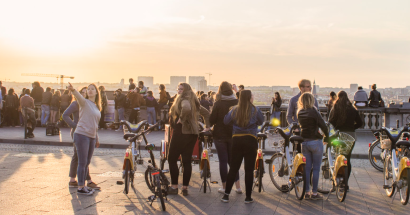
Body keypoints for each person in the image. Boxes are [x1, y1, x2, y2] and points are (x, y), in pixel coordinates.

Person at [221, 90, 264, 203]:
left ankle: (226, 195)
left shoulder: (235, 109)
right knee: (249, 170)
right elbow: (261, 121)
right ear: (249, 98)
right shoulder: (255, 109)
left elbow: (226, 121)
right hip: (251, 140)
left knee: (234, 168)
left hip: (237, 140)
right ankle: (248, 197)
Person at [168, 83, 210, 196]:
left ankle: (174, 186)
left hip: (181, 132)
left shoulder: (184, 99)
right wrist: (207, 127)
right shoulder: (194, 101)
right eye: (178, 88)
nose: (179, 91)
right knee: (186, 160)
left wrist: (181, 118)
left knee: (171, 158)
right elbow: (206, 113)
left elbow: (186, 108)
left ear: (186, 90)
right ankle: (185, 188)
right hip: (192, 134)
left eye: (181, 89)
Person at [67, 82, 101, 196]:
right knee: (82, 162)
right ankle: (81, 187)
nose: (90, 90)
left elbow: (95, 124)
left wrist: (96, 137)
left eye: (93, 89)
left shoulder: (96, 106)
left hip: (91, 136)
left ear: (96, 92)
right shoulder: (84, 102)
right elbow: (78, 96)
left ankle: (84, 185)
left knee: (87, 162)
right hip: (81, 135)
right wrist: (73, 90)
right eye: (89, 89)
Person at [209, 81, 242, 194]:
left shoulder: (218, 103)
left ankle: (224, 187)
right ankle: (238, 186)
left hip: (219, 134)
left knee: (223, 161)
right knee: (233, 162)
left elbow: (212, 120)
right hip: (234, 134)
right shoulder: (237, 101)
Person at [296, 92, 329, 200]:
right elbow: (323, 125)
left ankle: (306, 192)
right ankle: (314, 193)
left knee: (306, 168)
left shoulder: (299, 112)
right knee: (316, 169)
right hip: (315, 142)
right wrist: (326, 137)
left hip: (304, 142)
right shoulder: (314, 111)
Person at [329, 91, 362, 191]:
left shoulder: (335, 108)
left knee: (337, 157)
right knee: (347, 159)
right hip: (350, 136)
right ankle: (345, 183)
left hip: (338, 135)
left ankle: (335, 181)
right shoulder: (352, 109)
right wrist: (352, 128)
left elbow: (330, 123)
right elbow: (360, 123)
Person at [287, 79, 319, 153]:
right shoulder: (294, 100)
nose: (310, 88)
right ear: (301, 88)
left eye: (310, 86)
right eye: (308, 87)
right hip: (298, 132)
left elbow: (318, 116)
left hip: (311, 133)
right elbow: (288, 116)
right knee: (298, 155)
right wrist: (294, 127)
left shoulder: (314, 100)